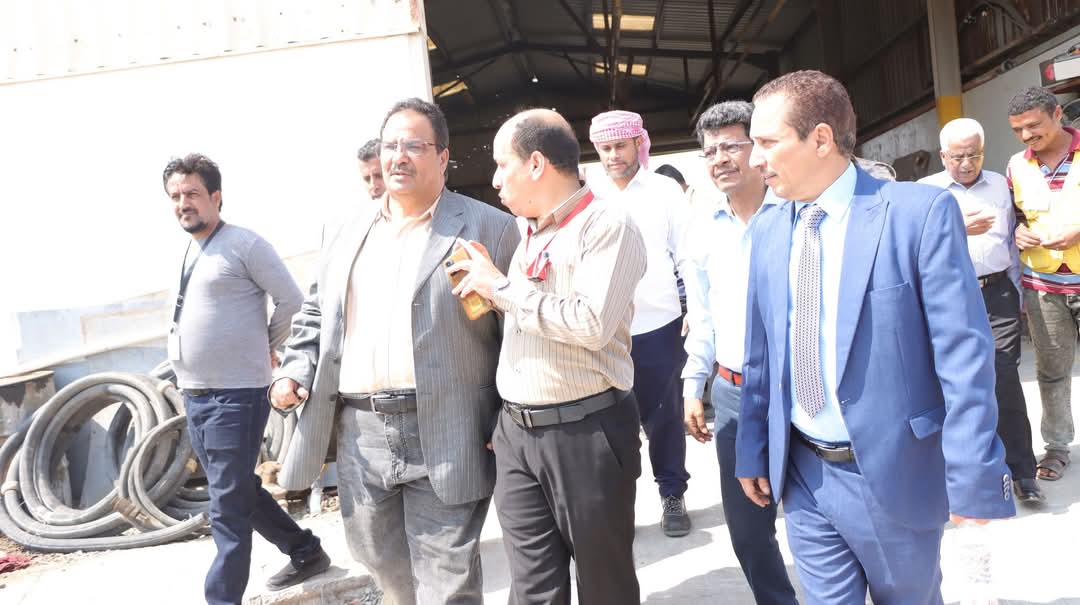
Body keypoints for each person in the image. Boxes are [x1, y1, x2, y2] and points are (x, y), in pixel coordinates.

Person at [736, 70, 1014, 603]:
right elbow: (762, 353)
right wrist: (753, 447)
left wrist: (973, 472)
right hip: (804, 473)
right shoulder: (769, 228)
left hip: (891, 473)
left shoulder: (915, 214)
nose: (755, 159)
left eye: (768, 142)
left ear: (820, 138)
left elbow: (963, 355)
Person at [269, 98, 519, 604]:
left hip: (450, 425)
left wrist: (505, 414)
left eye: (414, 146)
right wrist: (294, 370)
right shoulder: (344, 230)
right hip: (362, 430)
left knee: (448, 578)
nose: (398, 156)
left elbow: (516, 331)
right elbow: (316, 313)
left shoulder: (488, 227)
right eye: (390, 145)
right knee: (382, 566)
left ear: (443, 157)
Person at [449, 108, 647, 604]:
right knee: (532, 588)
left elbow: (591, 324)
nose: (495, 180)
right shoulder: (530, 232)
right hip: (517, 433)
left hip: (585, 429)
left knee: (604, 586)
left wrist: (501, 287)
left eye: (502, 165)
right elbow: (526, 320)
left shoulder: (607, 225)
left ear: (536, 163)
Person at [163, 153, 329, 605]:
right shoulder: (190, 248)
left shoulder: (244, 244)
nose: (183, 203)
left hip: (235, 396)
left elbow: (293, 302)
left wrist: (264, 345)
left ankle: (222, 599)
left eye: (192, 193)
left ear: (216, 196)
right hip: (196, 395)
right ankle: (305, 550)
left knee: (227, 506)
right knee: (239, 489)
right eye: (175, 196)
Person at [681, 101, 797, 604]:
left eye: (732, 145)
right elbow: (702, 315)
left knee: (820, 517)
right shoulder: (702, 228)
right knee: (749, 531)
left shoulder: (797, 214)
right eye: (710, 151)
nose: (720, 159)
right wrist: (694, 384)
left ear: (760, 148)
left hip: (799, 388)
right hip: (732, 392)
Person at [919, 117, 1044, 505]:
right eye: (958, 157)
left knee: (1004, 377)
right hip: (950, 295)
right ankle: (960, 472)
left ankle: (1022, 471)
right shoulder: (926, 192)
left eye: (974, 155)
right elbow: (916, 246)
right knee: (950, 381)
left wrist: (1019, 294)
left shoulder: (1001, 186)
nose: (967, 164)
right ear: (943, 156)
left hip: (997, 292)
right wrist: (957, 226)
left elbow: (1010, 242)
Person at [587, 109, 693, 536]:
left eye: (620, 145)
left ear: (638, 143)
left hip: (659, 325)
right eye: (605, 147)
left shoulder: (664, 191)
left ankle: (672, 493)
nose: (613, 154)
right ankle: (620, 506)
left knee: (664, 418)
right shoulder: (587, 193)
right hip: (603, 330)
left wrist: (696, 311)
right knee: (612, 424)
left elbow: (687, 255)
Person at [1008, 85, 1080, 482]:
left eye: (1033, 126)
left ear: (1057, 114)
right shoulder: (1016, 166)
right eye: (1018, 130)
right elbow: (1013, 217)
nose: (1026, 136)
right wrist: (1017, 233)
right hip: (1043, 286)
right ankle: (1056, 447)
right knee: (1052, 372)